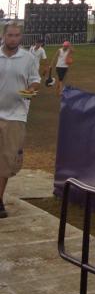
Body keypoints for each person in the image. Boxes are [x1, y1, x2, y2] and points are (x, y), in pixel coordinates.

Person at [0, 23, 41, 218]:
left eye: (17, 35)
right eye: (10, 35)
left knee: (6, 160)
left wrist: (32, 89)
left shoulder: (28, 58)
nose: (13, 39)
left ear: (20, 37)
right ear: (3, 36)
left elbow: (35, 79)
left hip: (16, 115)